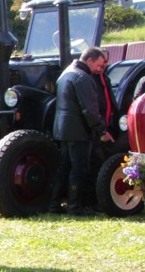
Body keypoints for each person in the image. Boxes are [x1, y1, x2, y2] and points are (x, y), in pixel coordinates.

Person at [49, 46, 114, 215]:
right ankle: (74, 206)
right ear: (89, 60)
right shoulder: (83, 78)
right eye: (99, 65)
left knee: (64, 166)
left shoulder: (66, 73)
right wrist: (102, 131)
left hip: (62, 128)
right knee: (79, 168)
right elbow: (90, 110)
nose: (100, 69)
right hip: (78, 130)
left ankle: (54, 204)